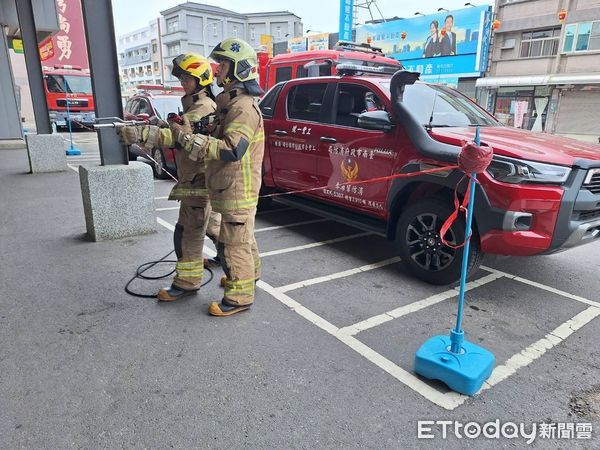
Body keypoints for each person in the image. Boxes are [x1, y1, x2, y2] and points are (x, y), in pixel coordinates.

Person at [168, 37, 264, 317]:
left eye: (222, 64)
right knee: (236, 240)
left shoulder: (243, 107)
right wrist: (194, 130)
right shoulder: (230, 104)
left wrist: (189, 140)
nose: (217, 69)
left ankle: (239, 298)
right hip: (228, 187)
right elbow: (217, 135)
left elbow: (234, 150)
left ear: (239, 69)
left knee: (235, 243)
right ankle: (244, 281)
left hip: (238, 188)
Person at [118, 53, 220, 301]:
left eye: (188, 78)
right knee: (219, 230)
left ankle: (187, 282)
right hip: (202, 178)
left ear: (201, 79)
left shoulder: (203, 107)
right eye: (182, 77)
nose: (183, 82)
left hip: (199, 179)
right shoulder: (196, 104)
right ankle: (241, 270)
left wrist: (139, 134)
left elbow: (177, 138)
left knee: (187, 233)